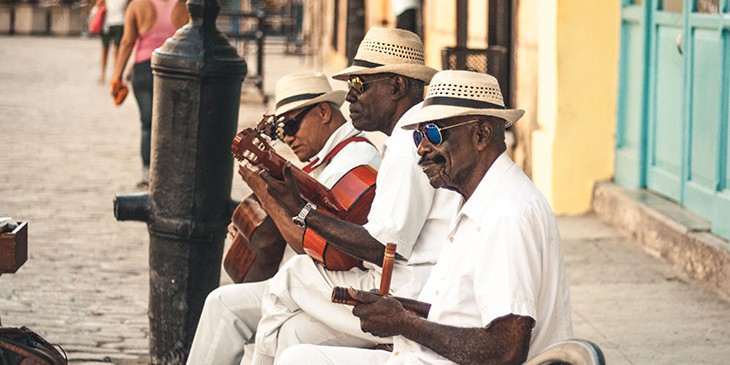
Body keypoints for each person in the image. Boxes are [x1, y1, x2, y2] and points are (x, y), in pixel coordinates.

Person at [275, 70, 574, 365]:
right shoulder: (479, 200)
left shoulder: (506, 214)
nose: (421, 148)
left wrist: (404, 323)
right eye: (419, 135)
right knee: (297, 352)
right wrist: (396, 311)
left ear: (481, 134)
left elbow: (506, 349)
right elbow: (462, 312)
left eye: (434, 133)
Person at [250, 27, 462, 365]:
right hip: (405, 281)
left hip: (409, 294)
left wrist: (303, 211)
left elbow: (382, 247)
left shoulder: (412, 145)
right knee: (293, 333)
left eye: (360, 85)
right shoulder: (405, 138)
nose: (350, 97)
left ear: (397, 86)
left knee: (290, 278)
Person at [185, 72, 382, 365]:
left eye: (291, 125)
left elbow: (310, 244)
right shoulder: (322, 160)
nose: (287, 138)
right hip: (312, 281)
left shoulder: (355, 161)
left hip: (340, 284)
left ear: (324, 112)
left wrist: (263, 190)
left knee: (229, 309)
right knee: (221, 303)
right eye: (280, 132)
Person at [110, 0, 188, 188]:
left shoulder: (137, 5)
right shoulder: (183, 5)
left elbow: (128, 41)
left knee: (147, 124)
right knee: (174, 123)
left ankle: (147, 174)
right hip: (174, 67)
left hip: (144, 68)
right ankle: (171, 172)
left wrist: (117, 76)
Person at [96, 0, 126, 83]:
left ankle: (115, 75)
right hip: (106, 24)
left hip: (119, 22)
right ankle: (102, 74)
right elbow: (98, 3)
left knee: (116, 51)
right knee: (105, 50)